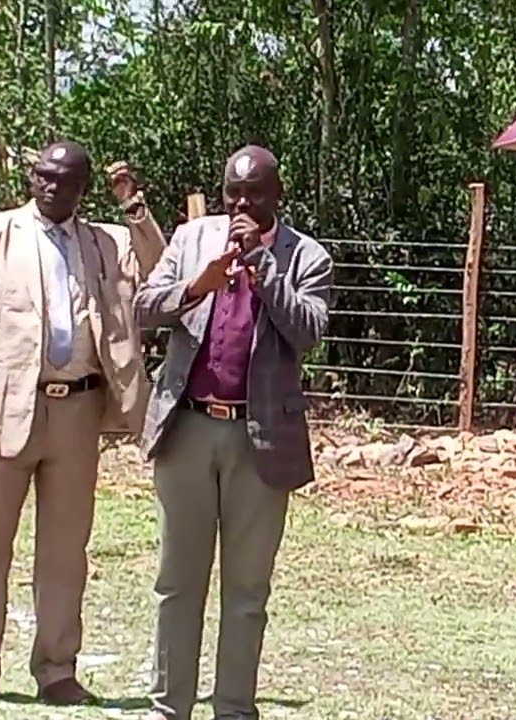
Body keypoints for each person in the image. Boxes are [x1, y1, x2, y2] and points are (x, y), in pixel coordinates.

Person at [0, 145, 166, 704]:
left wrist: (135, 210)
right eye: (44, 177)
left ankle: (57, 669)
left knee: (66, 551)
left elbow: (161, 271)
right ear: (32, 177)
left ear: (82, 187)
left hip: (79, 412)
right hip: (3, 410)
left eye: (66, 181)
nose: (52, 188)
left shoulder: (105, 242)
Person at [133, 144, 333, 720]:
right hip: (189, 427)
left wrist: (263, 268)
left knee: (246, 593)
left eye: (255, 194)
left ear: (278, 196)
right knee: (177, 582)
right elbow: (145, 306)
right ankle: (168, 707)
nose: (241, 204)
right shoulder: (192, 239)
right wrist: (198, 286)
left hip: (260, 439)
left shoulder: (308, 257)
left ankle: (234, 709)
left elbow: (307, 331)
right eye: (233, 192)